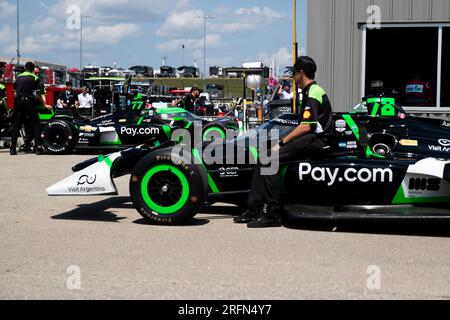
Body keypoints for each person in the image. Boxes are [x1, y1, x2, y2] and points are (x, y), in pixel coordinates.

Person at [234, 56, 334, 228]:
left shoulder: (314, 92)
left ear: (301, 73)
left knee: (269, 159)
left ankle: (272, 213)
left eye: (294, 73)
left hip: (318, 141)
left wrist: (281, 142)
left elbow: (307, 127)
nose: (293, 77)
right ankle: (255, 207)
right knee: (263, 156)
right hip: (310, 138)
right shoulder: (309, 91)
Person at [10, 62, 51, 155]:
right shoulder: (35, 78)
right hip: (29, 102)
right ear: (32, 69)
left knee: (17, 125)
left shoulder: (18, 77)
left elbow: (14, 92)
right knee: (36, 124)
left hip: (19, 102)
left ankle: (12, 149)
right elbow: (38, 94)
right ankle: (38, 147)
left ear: (25, 68)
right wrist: (44, 105)